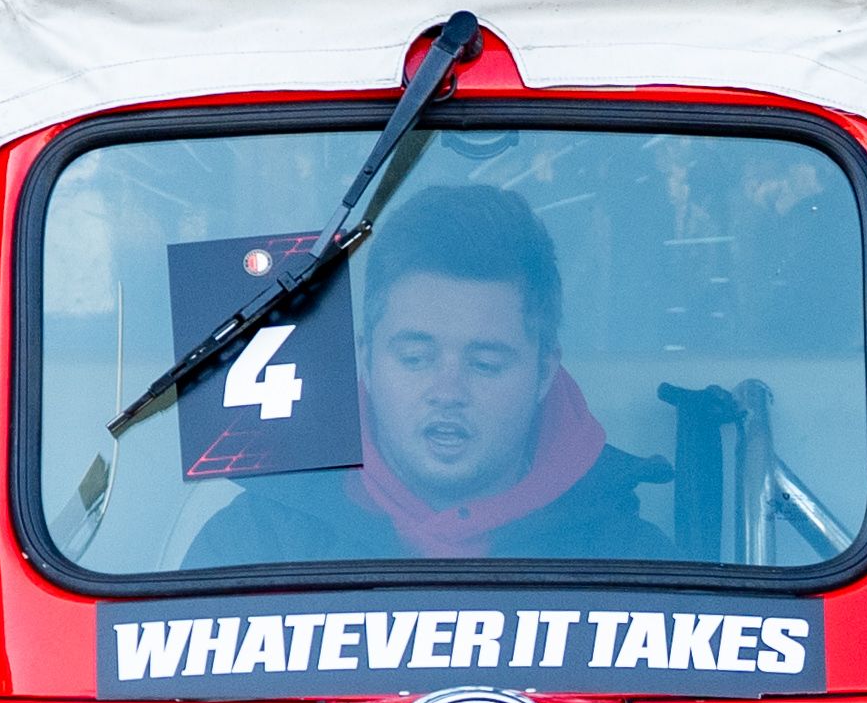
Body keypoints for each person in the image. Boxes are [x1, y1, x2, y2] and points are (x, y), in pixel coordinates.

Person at [184, 180, 668, 565]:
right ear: (366, 359)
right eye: (415, 358)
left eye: (485, 364)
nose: (448, 391)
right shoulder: (250, 547)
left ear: (544, 372)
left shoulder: (631, 560)